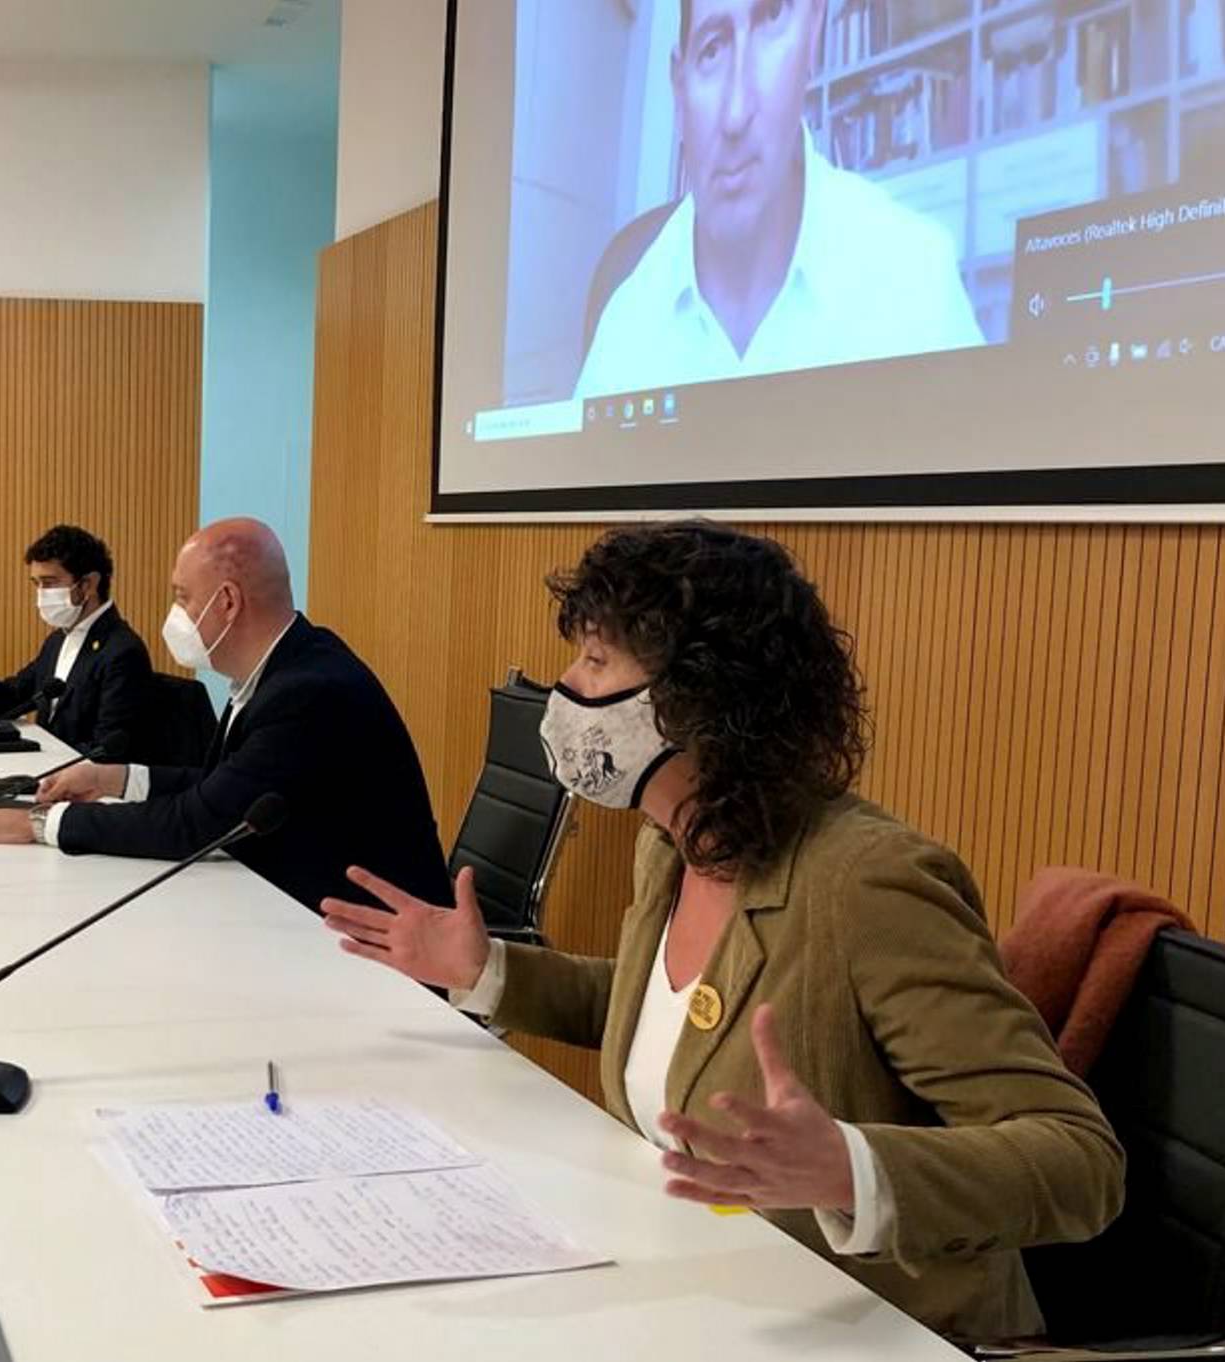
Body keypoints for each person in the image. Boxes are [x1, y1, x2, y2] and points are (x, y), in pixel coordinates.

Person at [318, 523, 1122, 1342]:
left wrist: (854, 1168)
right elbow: (665, 1014)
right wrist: (487, 970)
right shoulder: (672, 843)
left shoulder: (867, 883)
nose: (566, 688)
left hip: (876, 1327)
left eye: (596, 661)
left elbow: (1080, 1159)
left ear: (699, 697)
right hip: (706, 1291)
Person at [0, 517, 449, 914]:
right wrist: (115, 777)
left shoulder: (307, 693)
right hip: (291, 906)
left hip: (360, 939)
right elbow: (223, 787)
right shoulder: (283, 666)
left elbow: (199, 822)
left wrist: (40, 823)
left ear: (227, 601)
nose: (175, 614)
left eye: (183, 597)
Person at [575, 0, 983, 398]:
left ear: (814, 28)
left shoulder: (916, 276)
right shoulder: (626, 327)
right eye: (712, 50)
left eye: (771, 17)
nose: (736, 113)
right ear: (680, 90)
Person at [0, 525, 152, 760]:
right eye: (36, 583)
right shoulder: (59, 639)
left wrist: (40, 763)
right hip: (49, 767)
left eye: (49, 583)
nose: (41, 594)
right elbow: (14, 700)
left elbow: (107, 749)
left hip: (78, 776)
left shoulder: (121, 651)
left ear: (88, 584)